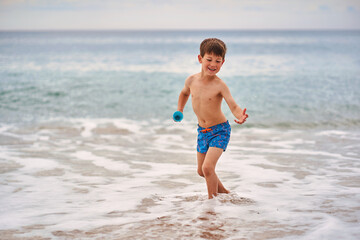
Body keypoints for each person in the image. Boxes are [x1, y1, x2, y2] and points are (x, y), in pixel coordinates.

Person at [175, 38, 248, 199]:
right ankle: (226, 195)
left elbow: (233, 105)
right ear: (200, 59)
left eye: (218, 61)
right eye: (209, 59)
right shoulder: (191, 80)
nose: (213, 64)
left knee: (208, 168)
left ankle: (212, 204)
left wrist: (239, 116)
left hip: (219, 131)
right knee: (201, 171)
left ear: (223, 62)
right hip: (202, 131)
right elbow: (184, 93)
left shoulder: (220, 85)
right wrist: (180, 109)